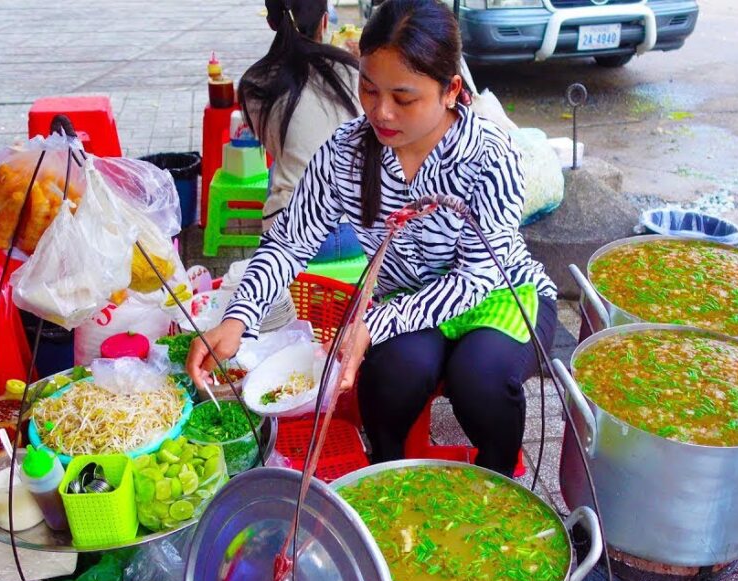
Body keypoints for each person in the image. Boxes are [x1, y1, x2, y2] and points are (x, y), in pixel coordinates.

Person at [188, 0, 558, 477]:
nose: (381, 112)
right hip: (404, 297)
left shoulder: (491, 156)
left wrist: (374, 324)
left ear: (451, 91)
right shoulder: (346, 152)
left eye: (404, 98)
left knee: (481, 378)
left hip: (501, 294)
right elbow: (288, 243)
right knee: (389, 375)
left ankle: (500, 481)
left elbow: (475, 278)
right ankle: (385, 476)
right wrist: (238, 320)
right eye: (368, 88)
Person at [238, 0, 363, 260]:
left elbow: (277, 146)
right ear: (326, 22)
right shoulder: (356, 71)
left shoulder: (255, 83)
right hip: (360, 232)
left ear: (272, 22)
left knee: (279, 166)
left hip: (295, 236)